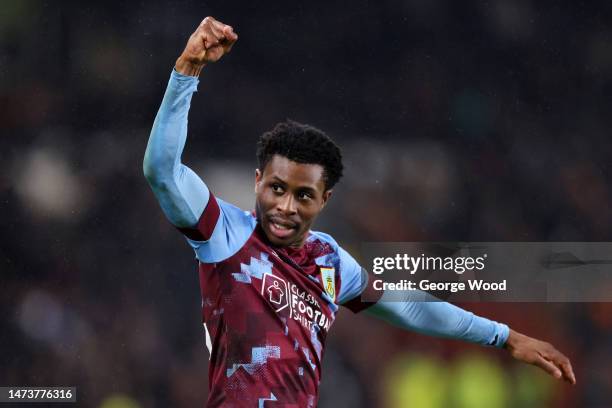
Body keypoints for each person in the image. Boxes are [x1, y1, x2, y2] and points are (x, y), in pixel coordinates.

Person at [143, 16, 575, 407]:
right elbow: (162, 171)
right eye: (275, 188)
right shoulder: (225, 234)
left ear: (324, 201)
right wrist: (187, 71)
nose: (285, 207)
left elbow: (411, 307)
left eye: (303, 195)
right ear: (257, 181)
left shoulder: (330, 262)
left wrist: (504, 337)